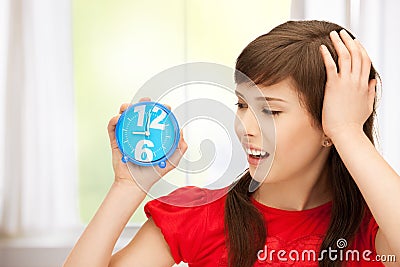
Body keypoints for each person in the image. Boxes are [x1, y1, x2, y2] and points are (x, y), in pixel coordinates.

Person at [63, 20, 400, 267]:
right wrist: (127, 185)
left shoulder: (373, 228)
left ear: (329, 124)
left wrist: (347, 130)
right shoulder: (198, 214)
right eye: (242, 105)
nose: (244, 126)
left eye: (269, 110)